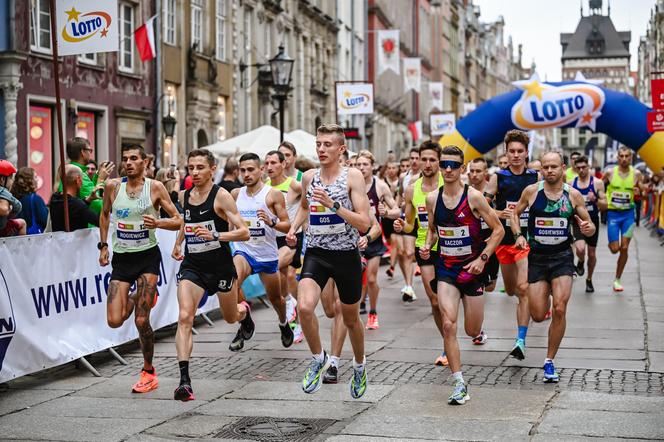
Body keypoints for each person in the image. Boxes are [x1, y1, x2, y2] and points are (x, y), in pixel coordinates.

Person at [286, 123, 371, 398]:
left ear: (341, 149)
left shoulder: (352, 177)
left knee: (350, 319)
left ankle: (359, 365)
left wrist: (335, 205)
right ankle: (317, 358)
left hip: (346, 254)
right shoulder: (310, 177)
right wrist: (293, 228)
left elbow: (365, 222)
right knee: (305, 307)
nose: (321, 149)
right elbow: (304, 208)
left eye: (327, 145)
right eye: (319, 144)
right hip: (317, 252)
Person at [421, 145, 504, 405]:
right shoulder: (432, 198)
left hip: (472, 270)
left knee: (471, 329)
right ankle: (458, 382)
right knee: (448, 324)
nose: (447, 169)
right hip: (446, 268)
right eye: (444, 164)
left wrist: (483, 259)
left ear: (462, 169)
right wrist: (427, 245)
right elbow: (434, 230)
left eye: (453, 165)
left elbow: (499, 230)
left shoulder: (475, 197)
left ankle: (478, 331)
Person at [98, 144, 182, 394]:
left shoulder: (154, 188)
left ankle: (148, 371)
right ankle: (134, 299)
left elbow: (178, 219)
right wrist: (103, 245)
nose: (128, 163)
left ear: (144, 162)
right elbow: (104, 215)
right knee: (114, 320)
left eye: (134, 158)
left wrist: (158, 222)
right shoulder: (114, 187)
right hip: (122, 260)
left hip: (147, 258)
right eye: (125, 159)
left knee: (142, 320)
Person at [171, 149, 250, 401]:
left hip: (220, 267)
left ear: (212, 169)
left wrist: (216, 235)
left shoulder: (222, 196)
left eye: (200, 167)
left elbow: (244, 232)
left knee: (230, 317)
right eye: (191, 167)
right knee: (185, 316)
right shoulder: (184, 196)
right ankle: (184, 381)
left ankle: (244, 314)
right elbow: (186, 221)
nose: (194, 172)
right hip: (193, 266)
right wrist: (177, 242)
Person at [512, 151, 595, 383]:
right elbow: (514, 215)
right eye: (545, 167)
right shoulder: (531, 192)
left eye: (553, 167)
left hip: (562, 258)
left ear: (563, 168)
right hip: (537, 258)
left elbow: (588, 225)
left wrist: (588, 230)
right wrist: (518, 234)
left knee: (559, 308)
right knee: (538, 314)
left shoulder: (574, 195)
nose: (549, 171)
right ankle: (543, 297)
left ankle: (549, 361)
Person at [484, 130, 539, 361]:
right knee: (512, 289)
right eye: (512, 151)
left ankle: (520, 340)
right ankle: (532, 300)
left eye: (520, 152)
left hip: (527, 239)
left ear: (527, 153)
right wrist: (500, 213)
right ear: (506, 152)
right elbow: (482, 208)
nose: (516, 155)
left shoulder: (535, 178)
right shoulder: (498, 177)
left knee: (523, 288)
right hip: (504, 242)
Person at [230, 152, 293, 351]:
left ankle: (283, 323)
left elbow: (287, 225)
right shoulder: (236, 194)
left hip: (266, 254)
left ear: (261, 170)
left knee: (276, 299)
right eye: (243, 170)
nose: (246, 174)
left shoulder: (272, 194)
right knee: (231, 284)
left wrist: (271, 221)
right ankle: (245, 320)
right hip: (244, 250)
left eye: (251, 170)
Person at [394, 141, 449, 366]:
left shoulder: (450, 183)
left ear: (439, 161)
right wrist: (401, 226)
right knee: (435, 302)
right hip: (424, 248)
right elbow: (409, 224)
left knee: (450, 299)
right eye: (423, 159)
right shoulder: (412, 189)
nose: (427, 164)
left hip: (450, 248)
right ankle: (447, 344)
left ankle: (456, 332)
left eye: (432, 160)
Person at [356, 150, 399, 329]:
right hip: (354, 238)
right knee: (358, 278)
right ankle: (359, 306)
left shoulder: (380, 186)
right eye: (358, 164)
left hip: (373, 237)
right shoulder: (350, 185)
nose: (361, 168)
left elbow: (397, 210)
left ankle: (373, 312)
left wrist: (387, 213)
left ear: (372, 166)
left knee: (372, 279)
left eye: (365, 164)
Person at [265, 149, 304, 340]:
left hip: (291, 236)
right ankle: (290, 301)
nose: (270, 167)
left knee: (287, 273)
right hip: (272, 237)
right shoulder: (264, 186)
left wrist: (302, 224)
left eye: (274, 163)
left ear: (283, 164)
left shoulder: (294, 185)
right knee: (278, 276)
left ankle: (297, 318)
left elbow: (308, 204)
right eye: (267, 164)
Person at [603, 146, 643, 292]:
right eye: (622, 156)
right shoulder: (609, 173)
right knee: (615, 249)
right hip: (613, 214)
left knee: (624, 248)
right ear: (617, 157)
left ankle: (617, 279)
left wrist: (640, 191)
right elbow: (600, 187)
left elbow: (643, 191)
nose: (624, 159)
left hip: (628, 215)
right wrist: (601, 199)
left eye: (627, 156)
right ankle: (612, 245)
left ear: (631, 158)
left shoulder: (637, 174)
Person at [570, 155, 606, 292]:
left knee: (591, 254)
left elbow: (605, 205)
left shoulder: (597, 183)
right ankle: (580, 261)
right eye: (578, 168)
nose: (581, 170)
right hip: (577, 221)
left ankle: (589, 279)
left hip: (592, 222)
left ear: (588, 167)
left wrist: (595, 199)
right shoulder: (571, 183)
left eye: (583, 167)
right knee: (579, 249)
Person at [467, 158, 500, 293]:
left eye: (478, 171)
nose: (474, 174)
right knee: (475, 285)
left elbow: (504, 213)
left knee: (490, 287)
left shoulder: (494, 191)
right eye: (472, 171)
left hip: (491, 242)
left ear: (485, 172)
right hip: (473, 242)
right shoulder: (466, 192)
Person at [64, 137, 114, 215]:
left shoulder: (69, 171)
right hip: (83, 225)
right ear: (83, 152)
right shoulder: (79, 176)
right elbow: (98, 205)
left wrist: (97, 175)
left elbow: (89, 190)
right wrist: (101, 179)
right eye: (90, 150)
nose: (90, 153)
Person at [396, 148, 421, 301]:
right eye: (411, 158)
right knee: (408, 253)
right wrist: (395, 208)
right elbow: (399, 196)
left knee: (420, 254)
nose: (414, 161)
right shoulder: (403, 177)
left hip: (424, 219)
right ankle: (409, 286)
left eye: (417, 158)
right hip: (409, 217)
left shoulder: (426, 177)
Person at [50, 165, 99, 231]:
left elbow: (72, 208)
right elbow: (98, 221)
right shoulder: (77, 205)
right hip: (77, 241)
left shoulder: (54, 198)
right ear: (78, 180)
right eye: (82, 178)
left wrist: (88, 199)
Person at [11, 167, 48, 234]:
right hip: (33, 239)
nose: (37, 180)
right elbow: (45, 221)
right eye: (35, 177)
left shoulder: (11, 199)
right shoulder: (36, 199)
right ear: (30, 181)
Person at [382, 160, 401, 279]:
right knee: (389, 241)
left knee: (394, 241)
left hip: (396, 215)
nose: (391, 170)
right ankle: (396, 256)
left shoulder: (401, 181)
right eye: (389, 168)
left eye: (394, 168)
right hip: (385, 217)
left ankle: (392, 267)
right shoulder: (382, 183)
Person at [0, 160, 25, 237]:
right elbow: (17, 206)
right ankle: (22, 248)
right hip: (1, 229)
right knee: (22, 223)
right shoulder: (2, 191)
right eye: (11, 178)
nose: (13, 181)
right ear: (2, 180)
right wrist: (10, 209)